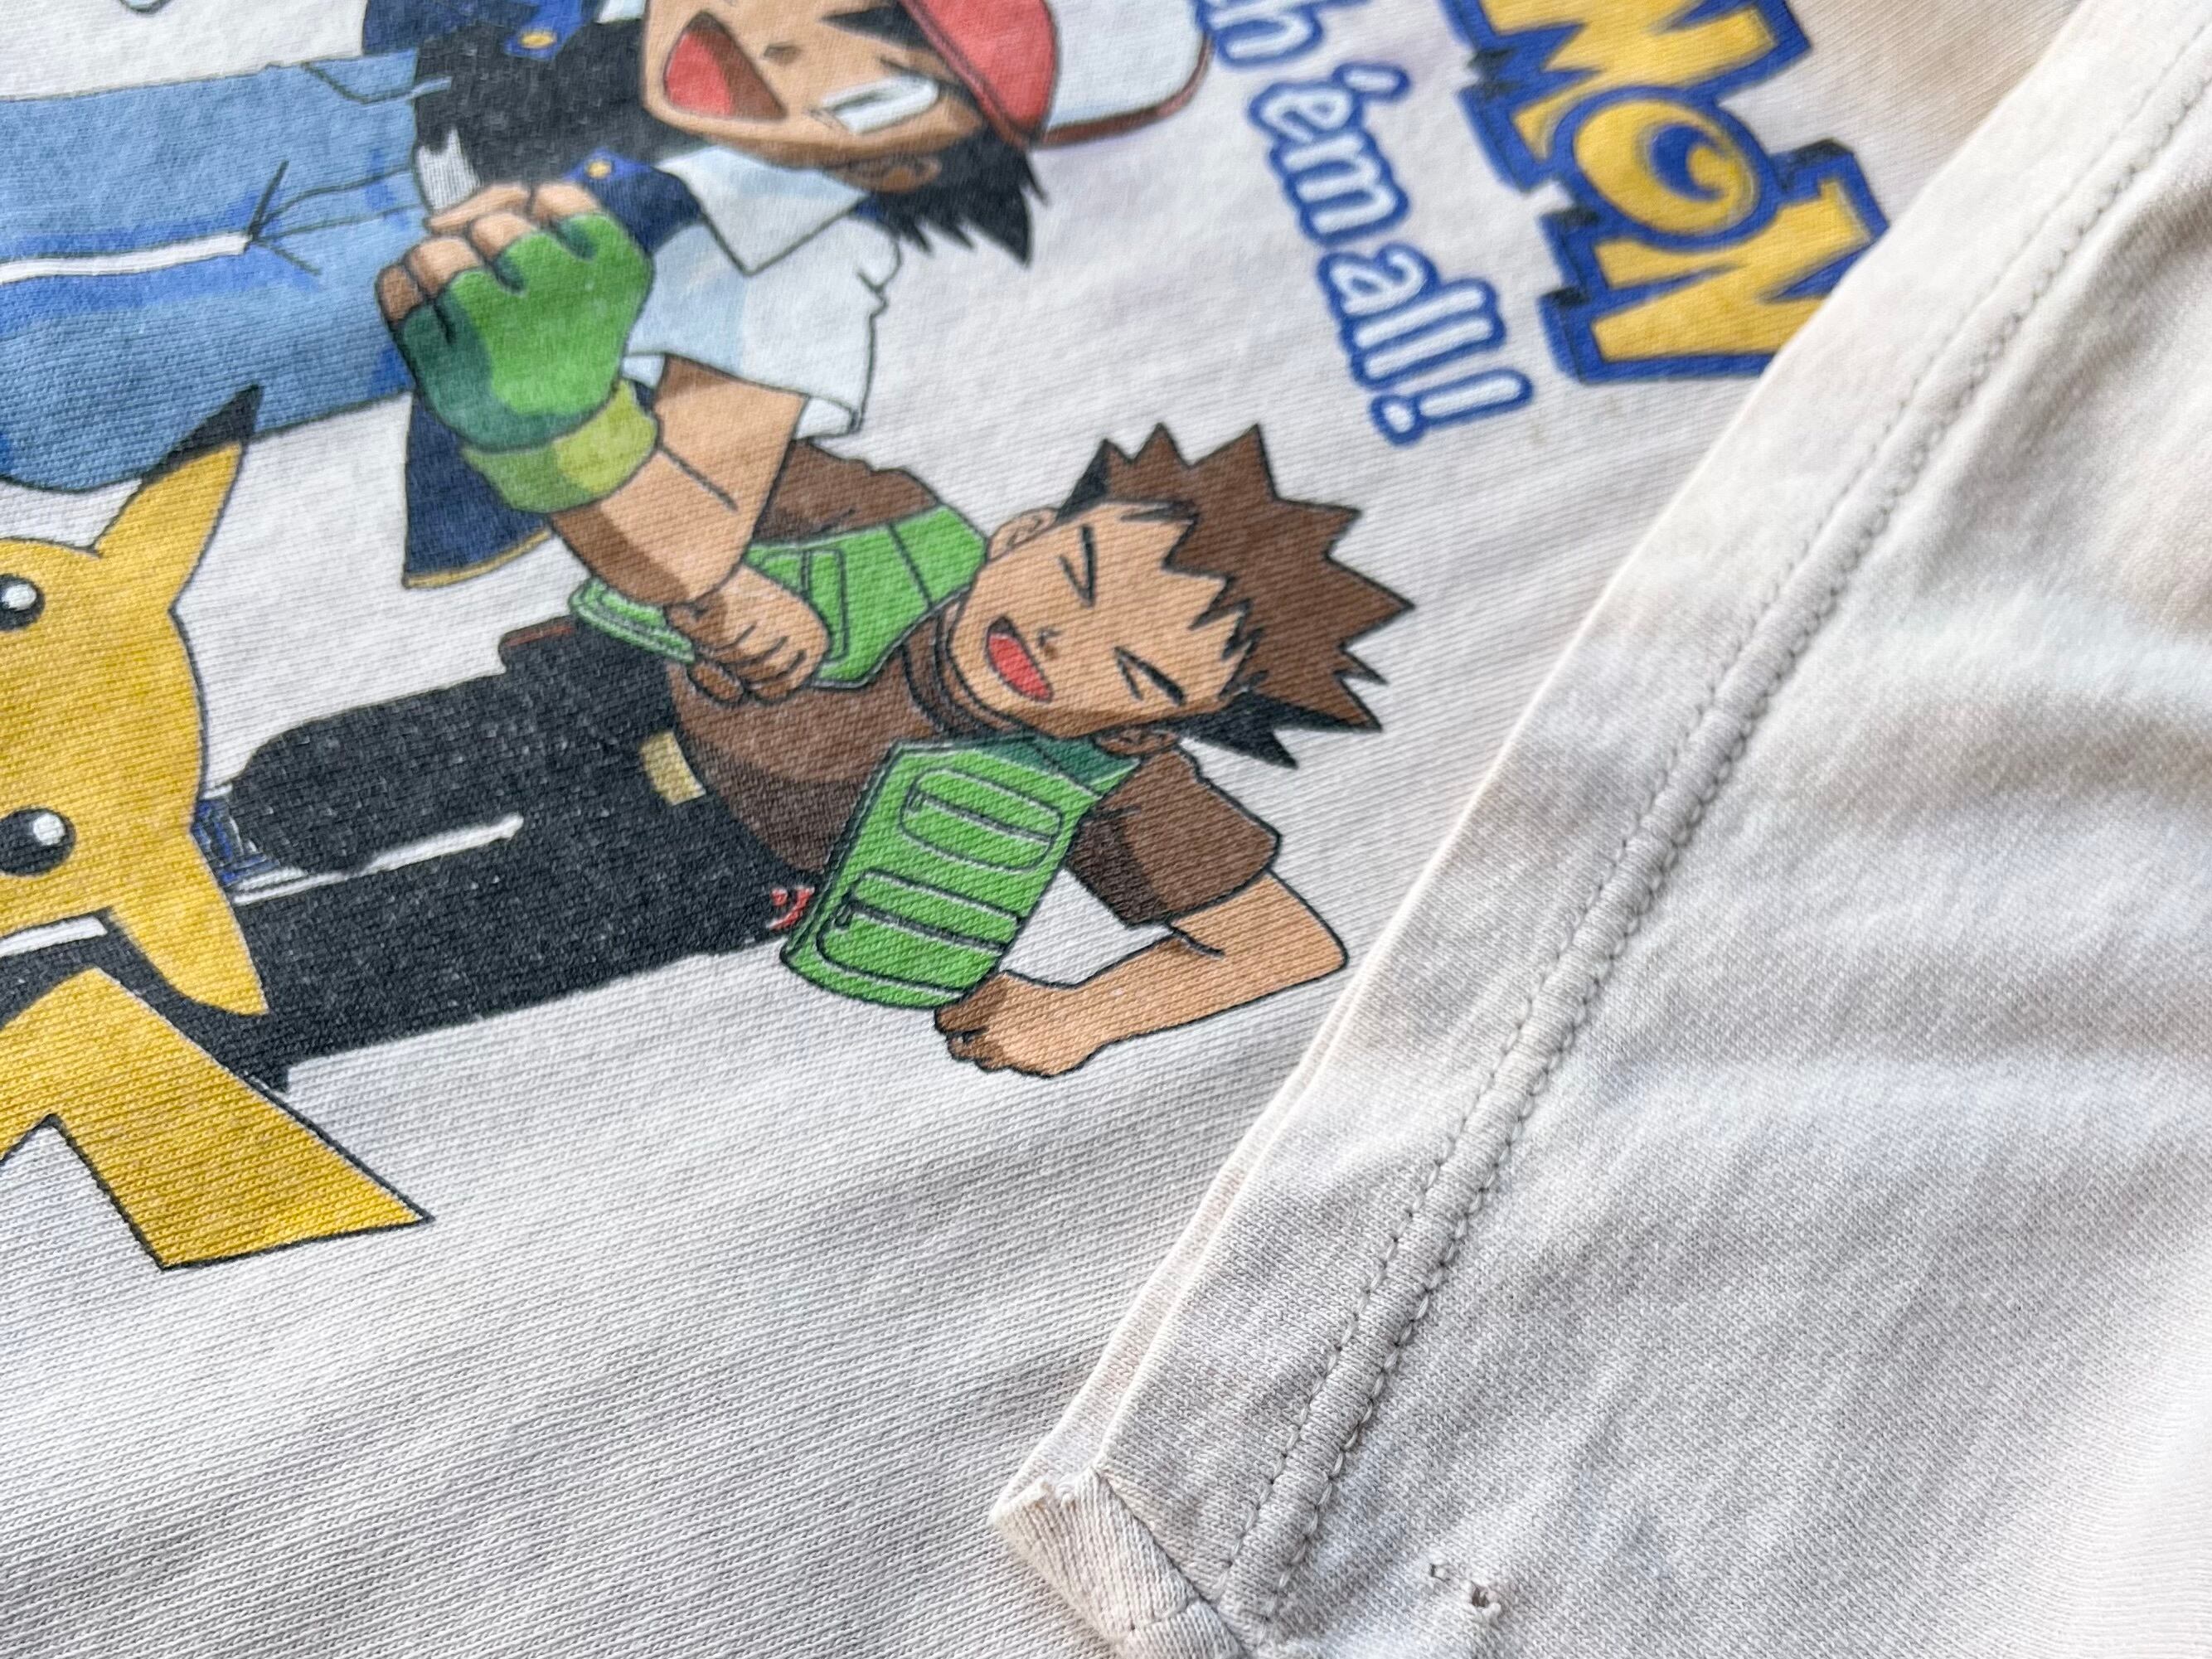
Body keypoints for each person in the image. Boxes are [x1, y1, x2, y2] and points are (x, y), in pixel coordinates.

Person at [212, 405, 1408, 1079]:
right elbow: (691, 442)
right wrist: (713, 575)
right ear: (1027, 531)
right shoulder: (892, 525)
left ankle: (182, 1015)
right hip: (614, 697)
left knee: (393, 960)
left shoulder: (1110, 784)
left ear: (1147, 728)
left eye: (1134, 671)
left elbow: (1281, 945)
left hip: (703, 869)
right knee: (357, 772)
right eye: (1079, 576)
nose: (1062, 639)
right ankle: (225, 834)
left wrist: (1082, 1015)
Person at [0, 0, 1208, 585]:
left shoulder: (794, 268)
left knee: (59, 396)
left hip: (379, 296)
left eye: (886, 85)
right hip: (350, 102)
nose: (793, 45)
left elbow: (694, 547)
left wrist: (561, 419)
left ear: (902, 171)